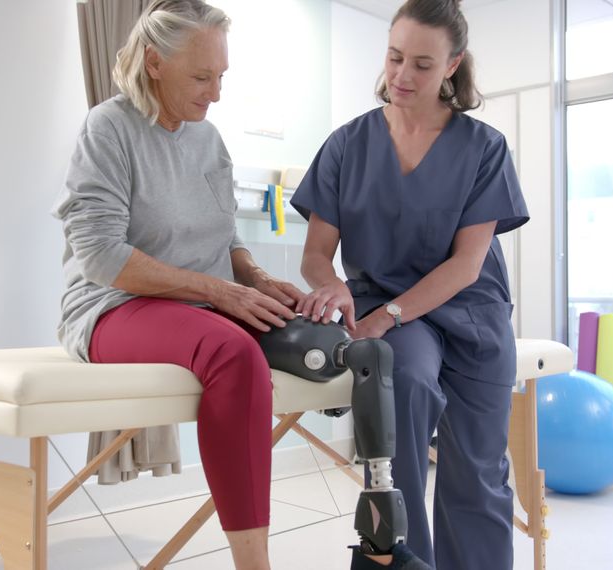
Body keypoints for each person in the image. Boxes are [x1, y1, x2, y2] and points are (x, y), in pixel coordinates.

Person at [51, 1, 307, 568]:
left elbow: (223, 240)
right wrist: (218, 293)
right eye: (200, 76)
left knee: (323, 339)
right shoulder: (109, 127)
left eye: (220, 77)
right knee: (234, 353)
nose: (215, 92)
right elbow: (98, 253)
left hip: (197, 306)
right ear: (153, 62)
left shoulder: (207, 138)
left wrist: (259, 279)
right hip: (112, 305)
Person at [289, 0, 530, 568]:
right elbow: (316, 255)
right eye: (395, 57)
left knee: (477, 471)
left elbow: (467, 264)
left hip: (469, 310)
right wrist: (335, 290)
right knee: (408, 390)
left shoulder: (483, 148)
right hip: (381, 306)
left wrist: (388, 315)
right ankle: (403, 559)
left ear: (453, 66)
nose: (401, 75)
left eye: (422, 64)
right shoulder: (348, 144)